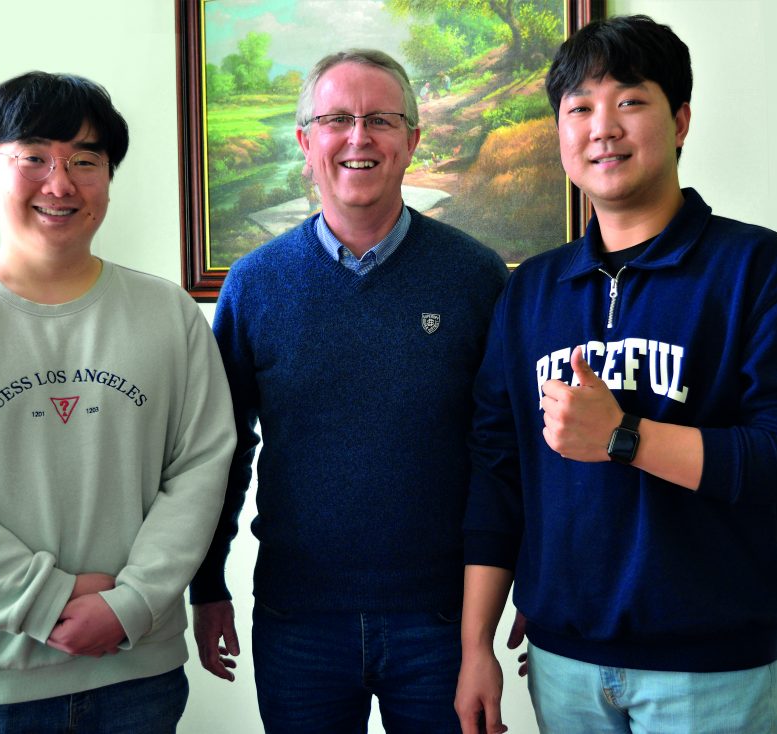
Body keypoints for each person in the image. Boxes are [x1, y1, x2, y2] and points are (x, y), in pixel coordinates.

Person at [454, 15, 777, 734]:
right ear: (559, 134)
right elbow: (497, 473)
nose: (602, 128)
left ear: (680, 122)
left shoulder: (761, 272)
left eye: (630, 101)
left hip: (714, 673)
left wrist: (625, 437)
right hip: (562, 664)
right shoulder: (530, 293)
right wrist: (474, 644)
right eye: (579, 108)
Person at [0, 71, 236, 733]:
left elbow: (200, 469)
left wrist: (129, 604)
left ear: (109, 177)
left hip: (136, 676)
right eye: (33, 157)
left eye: (85, 161)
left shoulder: (168, 315)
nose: (60, 184)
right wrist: (48, 598)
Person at [189, 49, 508, 733]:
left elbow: (504, 453)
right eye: (336, 119)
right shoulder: (255, 284)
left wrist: (532, 584)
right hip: (298, 620)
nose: (359, 137)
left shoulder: (476, 278)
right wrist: (207, 583)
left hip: (441, 620)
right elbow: (223, 450)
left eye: (381, 120)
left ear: (412, 141)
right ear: (305, 143)